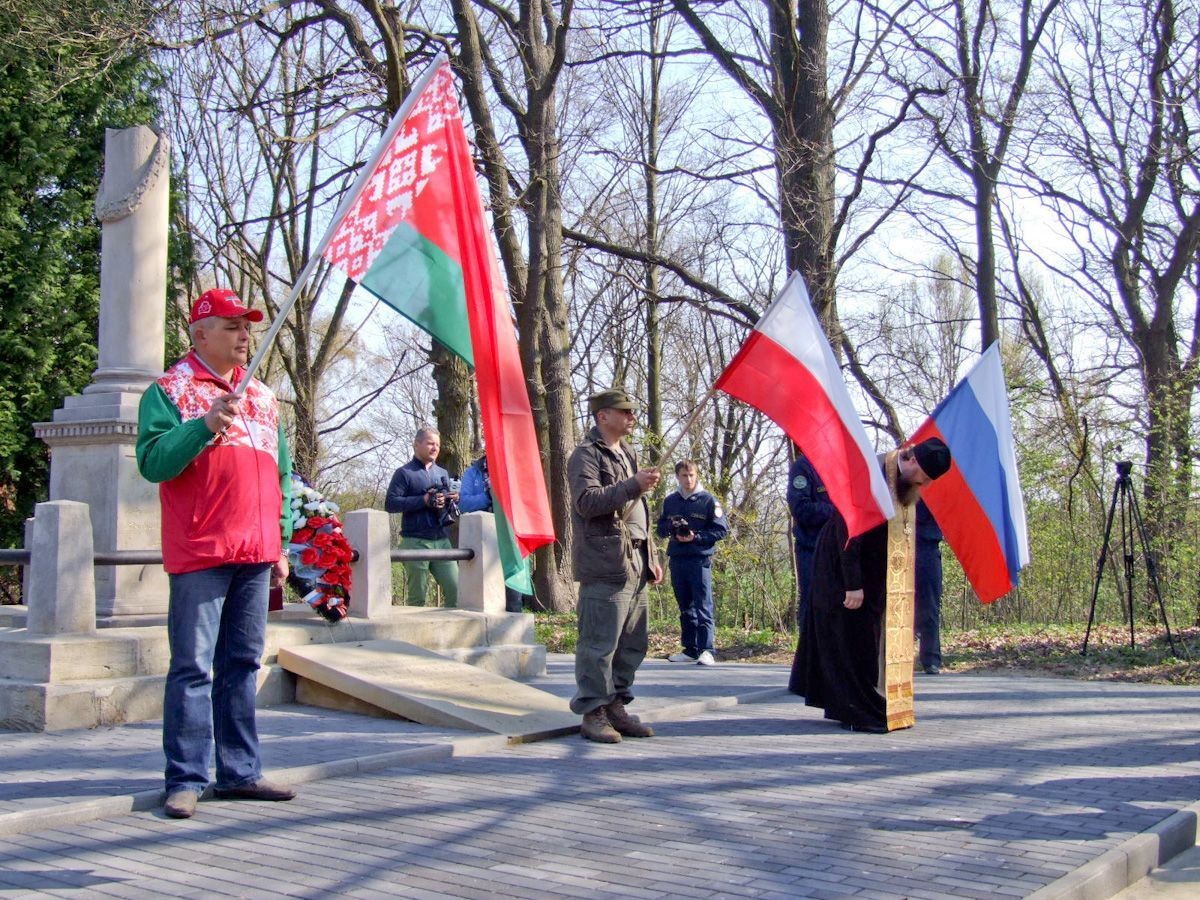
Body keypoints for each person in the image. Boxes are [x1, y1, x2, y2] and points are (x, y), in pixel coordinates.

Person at [136, 287, 297, 820]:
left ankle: (240, 773)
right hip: (202, 549)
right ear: (199, 333)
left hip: (255, 552)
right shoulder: (168, 389)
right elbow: (154, 462)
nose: (244, 335)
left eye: (247, 326)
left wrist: (279, 541)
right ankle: (184, 778)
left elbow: (281, 478)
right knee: (192, 668)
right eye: (231, 326)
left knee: (243, 663)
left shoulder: (265, 398)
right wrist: (203, 426)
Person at [789, 437, 952, 734]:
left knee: (865, 636)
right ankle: (857, 710)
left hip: (874, 570)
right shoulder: (873, 475)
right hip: (844, 566)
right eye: (924, 478)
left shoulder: (901, 479)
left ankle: (854, 705)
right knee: (853, 640)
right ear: (913, 460)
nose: (923, 485)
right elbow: (849, 531)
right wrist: (853, 585)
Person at [568, 388, 663, 743]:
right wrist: (632, 485)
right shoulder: (585, 456)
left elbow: (639, 515)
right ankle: (593, 710)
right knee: (598, 643)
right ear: (602, 416)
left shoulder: (629, 454)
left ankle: (616, 704)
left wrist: (652, 556)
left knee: (632, 642)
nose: (631, 417)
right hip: (605, 561)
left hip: (635, 560)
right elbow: (587, 502)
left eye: (632, 412)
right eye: (623, 412)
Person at [656, 460, 728, 666]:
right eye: (684, 476)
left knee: (702, 604)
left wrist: (695, 536)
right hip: (677, 558)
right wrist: (671, 526)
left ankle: (707, 649)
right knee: (685, 606)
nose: (688, 479)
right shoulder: (671, 501)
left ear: (697, 476)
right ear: (677, 477)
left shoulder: (708, 501)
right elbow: (660, 529)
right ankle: (690, 648)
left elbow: (721, 530)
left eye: (692, 475)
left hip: (699, 558)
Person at [384, 428, 459, 608]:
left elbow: (445, 506)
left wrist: (451, 499)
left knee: (457, 591)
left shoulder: (442, 472)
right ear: (416, 445)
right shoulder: (404, 473)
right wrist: (423, 500)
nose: (435, 448)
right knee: (417, 598)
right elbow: (391, 504)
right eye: (430, 443)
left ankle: (448, 633)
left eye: (438, 445)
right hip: (414, 541)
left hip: (441, 540)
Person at [460, 453, 533, 613]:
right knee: (487, 597)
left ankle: (514, 626)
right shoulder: (473, 472)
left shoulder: (516, 470)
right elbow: (464, 503)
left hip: (512, 537)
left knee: (513, 594)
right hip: (484, 542)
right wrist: (489, 496)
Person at [787, 451, 834, 626]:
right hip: (812, 547)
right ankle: (808, 651)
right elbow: (800, 508)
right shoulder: (804, 466)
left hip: (840, 548)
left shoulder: (841, 463)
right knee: (812, 602)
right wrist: (835, 511)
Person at [914, 499, 944, 675]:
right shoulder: (892, 476)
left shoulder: (933, 480)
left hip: (927, 544)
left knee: (929, 604)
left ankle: (931, 659)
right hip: (895, 544)